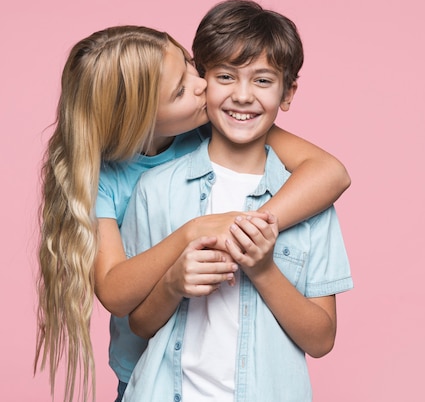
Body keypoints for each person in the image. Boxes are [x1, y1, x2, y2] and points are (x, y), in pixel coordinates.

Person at [35, 25, 350, 402]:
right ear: (138, 116)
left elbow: (331, 172)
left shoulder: (215, 124)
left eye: (189, 64)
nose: (202, 84)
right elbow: (116, 293)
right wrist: (193, 232)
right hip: (145, 374)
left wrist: (250, 232)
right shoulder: (107, 179)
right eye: (181, 90)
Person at [120, 0, 353, 402]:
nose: (243, 96)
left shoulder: (308, 203)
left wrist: (263, 270)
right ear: (201, 78)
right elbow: (139, 324)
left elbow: (321, 339)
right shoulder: (155, 189)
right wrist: (173, 283)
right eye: (226, 76)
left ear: (287, 92)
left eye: (262, 81)